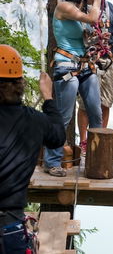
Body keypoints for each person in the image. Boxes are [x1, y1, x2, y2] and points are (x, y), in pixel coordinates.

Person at [0, 44, 66, 254]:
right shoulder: (35, 121)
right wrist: (48, 97)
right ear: (20, 83)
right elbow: (57, 138)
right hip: (10, 230)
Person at [44, 0, 105, 177]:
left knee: (96, 113)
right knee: (64, 117)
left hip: (84, 67)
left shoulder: (76, 13)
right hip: (66, 67)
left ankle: (98, 159)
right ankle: (52, 162)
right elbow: (92, 18)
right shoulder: (64, 7)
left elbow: (88, 27)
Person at [77, 0, 113, 152]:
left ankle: (100, 137)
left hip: (107, 59)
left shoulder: (110, 8)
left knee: (106, 101)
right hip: (88, 59)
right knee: (85, 103)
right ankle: (84, 140)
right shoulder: (81, 4)